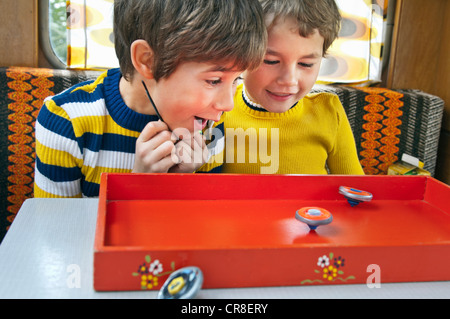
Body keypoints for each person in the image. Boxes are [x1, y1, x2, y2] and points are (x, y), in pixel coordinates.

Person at [34, 0, 267, 198]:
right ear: (147, 60)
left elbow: (199, 235)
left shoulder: (207, 124)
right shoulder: (66, 121)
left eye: (237, 79)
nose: (228, 105)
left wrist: (182, 183)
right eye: (214, 81)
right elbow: (58, 235)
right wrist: (139, 187)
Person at [199, 0, 364, 175]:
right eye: (271, 61)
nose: (289, 80)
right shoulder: (220, 110)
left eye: (306, 64)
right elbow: (202, 187)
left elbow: (355, 189)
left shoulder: (330, 113)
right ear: (241, 54)